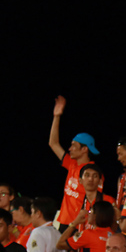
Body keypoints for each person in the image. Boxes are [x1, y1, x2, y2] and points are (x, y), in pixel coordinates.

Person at [48, 95, 98, 227]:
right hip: (65, 222)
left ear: (84, 149)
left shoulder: (93, 172)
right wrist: (56, 116)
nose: (69, 149)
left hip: (80, 224)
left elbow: (95, 200)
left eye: (73, 146)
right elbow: (53, 143)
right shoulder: (71, 164)